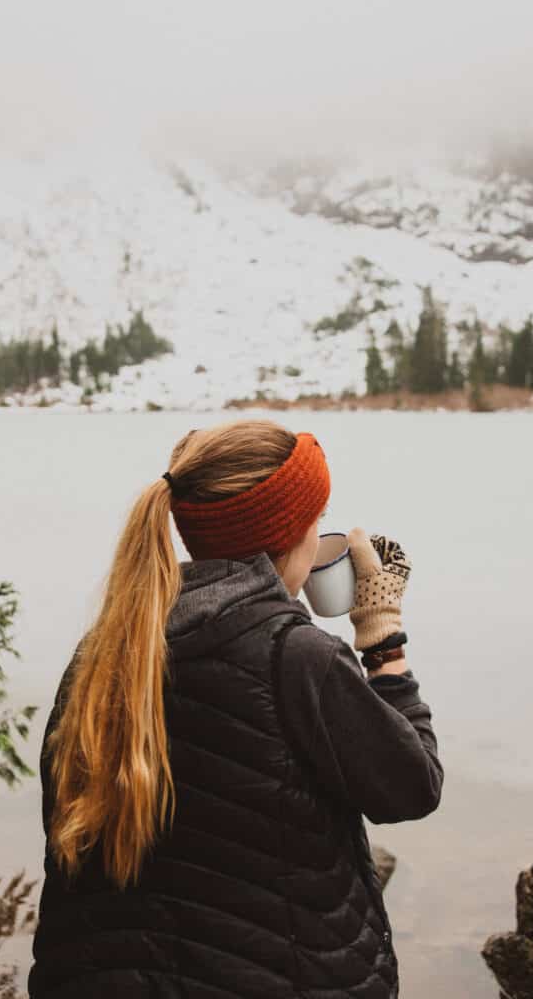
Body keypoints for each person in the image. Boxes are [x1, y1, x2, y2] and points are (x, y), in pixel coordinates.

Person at [28, 418, 442, 998]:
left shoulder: (103, 650)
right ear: (293, 533)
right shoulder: (296, 655)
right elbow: (412, 787)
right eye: (315, 520)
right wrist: (383, 636)